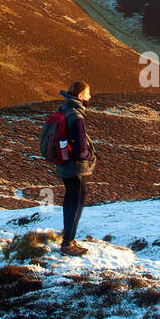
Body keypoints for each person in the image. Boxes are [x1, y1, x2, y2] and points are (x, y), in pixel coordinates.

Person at [55, 80, 96, 256]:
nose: (90, 96)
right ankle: (68, 243)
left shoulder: (64, 109)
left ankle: (67, 235)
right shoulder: (77, 117)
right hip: (76, 168)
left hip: (64, 164)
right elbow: (80, 149)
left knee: (69, 199)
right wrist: (89, 158)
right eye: (88, 93)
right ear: (80, 96)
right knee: (76, 202)